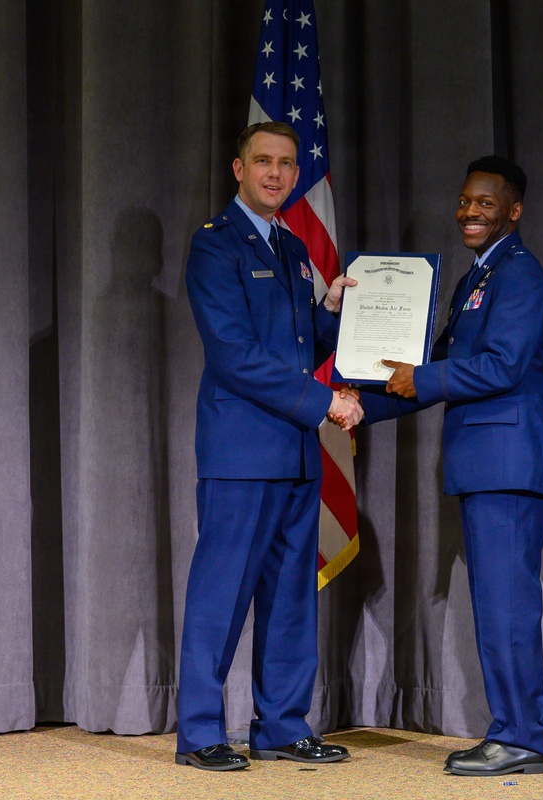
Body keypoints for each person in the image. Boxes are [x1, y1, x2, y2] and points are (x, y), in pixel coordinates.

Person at [359, 155, 543, 777]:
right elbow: (429, 371)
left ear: (514, 210)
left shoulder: (519, 276)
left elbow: (499, 366)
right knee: (496, 604)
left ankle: (523, 739)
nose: (471, 212)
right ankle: (512, 731)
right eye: (465, 200)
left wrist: (420, 377)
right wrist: (352, 406)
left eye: (486, 203)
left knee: (506, 607)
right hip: (486, 463)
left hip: (508, 462)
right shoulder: (479, 277)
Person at [176, 121, 362, 771]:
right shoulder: (214, 246)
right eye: (263, 162)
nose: (277, 174)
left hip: (295, 452)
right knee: (221, 592)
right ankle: (201, 732)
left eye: (286, 163)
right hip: (241, 450)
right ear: (238, 169)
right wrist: (326, 403)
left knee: (289, 597)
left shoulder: (289, 246)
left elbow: (297, 343)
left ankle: (282, 725)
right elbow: (236, 357)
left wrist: (333, 310)